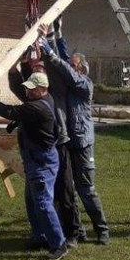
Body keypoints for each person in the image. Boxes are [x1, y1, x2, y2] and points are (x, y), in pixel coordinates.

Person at [0, 73, 68, 260]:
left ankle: (59, 244)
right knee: (32, 201)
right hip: (35, 160)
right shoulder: (44, 100)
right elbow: (27, 117)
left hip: (42, 162)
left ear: (43, 89)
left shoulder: (37, 106)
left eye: (32, 89)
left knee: (42, 203)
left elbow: (8, 111)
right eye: (28, 88)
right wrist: (18, 122)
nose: (28, 91)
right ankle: (40, 237)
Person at [40, 39, 111, 245]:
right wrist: (53, 38)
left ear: (81, 69)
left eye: (73, 64)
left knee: (86, 189)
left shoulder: (84, 84)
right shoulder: (67, 84)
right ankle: (78, 231)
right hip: (66, 142)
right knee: (69, 190)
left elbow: (65, 69)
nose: (69, 66)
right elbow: (62, 64)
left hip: (82, 143)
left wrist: (51, 54)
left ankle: (102, 229)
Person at [33, 24, 83, 247]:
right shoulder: (40, 90)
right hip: (45, 144)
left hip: (60, 141)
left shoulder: (62, 86)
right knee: (46, 192)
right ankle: (49, 232)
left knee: (65, 190)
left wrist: (48, 39)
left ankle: (73, 232)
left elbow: (58, 64)